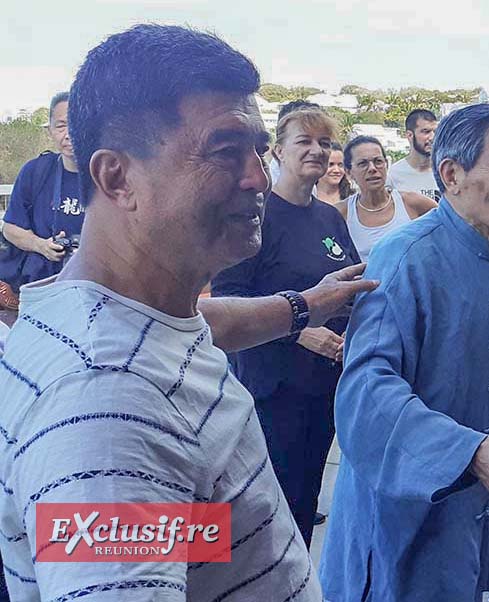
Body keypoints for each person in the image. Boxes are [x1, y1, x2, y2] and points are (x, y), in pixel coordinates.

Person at [0, 24, 375, 600]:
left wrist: (304, 305)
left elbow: (199, 327)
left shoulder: (105, 306)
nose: (257, 176)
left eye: (256, 148)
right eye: (224, 151)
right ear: (116, 176)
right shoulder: (107, 399)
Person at [319, 104, 489, 601]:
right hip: (405, 511)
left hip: (466, 504)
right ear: (451, 174)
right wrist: (469, 452)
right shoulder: (407, 257)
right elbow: (365, 395)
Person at [212, 106, 362, 547]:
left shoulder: (330, 217)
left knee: (305, 498)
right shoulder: (255, 216)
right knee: (271, 510)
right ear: (277, 152)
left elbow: (350, 286)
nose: (317, 151)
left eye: (325, 143)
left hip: (325, 388)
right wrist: (300, 327)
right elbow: (227, 298)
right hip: (274, 392)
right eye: (305, 142)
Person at [1, 92, 85, 290]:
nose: (68, 134)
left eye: (77, 124)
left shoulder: (111, 174)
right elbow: (10, 229)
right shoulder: (35, 172)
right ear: (50, 130)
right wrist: (41, 245)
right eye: (61, 125)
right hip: (40, 288)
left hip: (94, 287)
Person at [337, 135, 436, 261]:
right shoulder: (341, 213)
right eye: (363, 164)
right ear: (349, 172)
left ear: (386, 165)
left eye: (378, 161)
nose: (372, 169)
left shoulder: (412, 203)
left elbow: (447, 224)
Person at [386, 108, 442, 201]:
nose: (432, 137)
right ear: (409, 135)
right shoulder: (394, 175)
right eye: (426, 131)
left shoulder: (444, 171)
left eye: (435, 132)